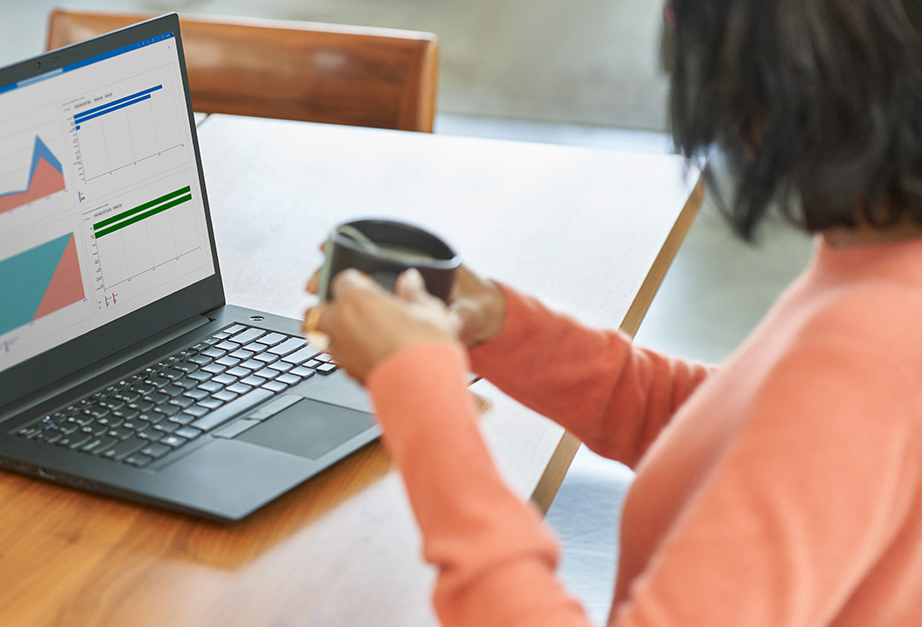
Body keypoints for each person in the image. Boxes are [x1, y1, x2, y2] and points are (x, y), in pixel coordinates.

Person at [305, 0, 922, 624]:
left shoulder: (866, 358)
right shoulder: (881, 261)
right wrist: (502, 325)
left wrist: (422, 396)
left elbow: (811, 420)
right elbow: (735, 431)